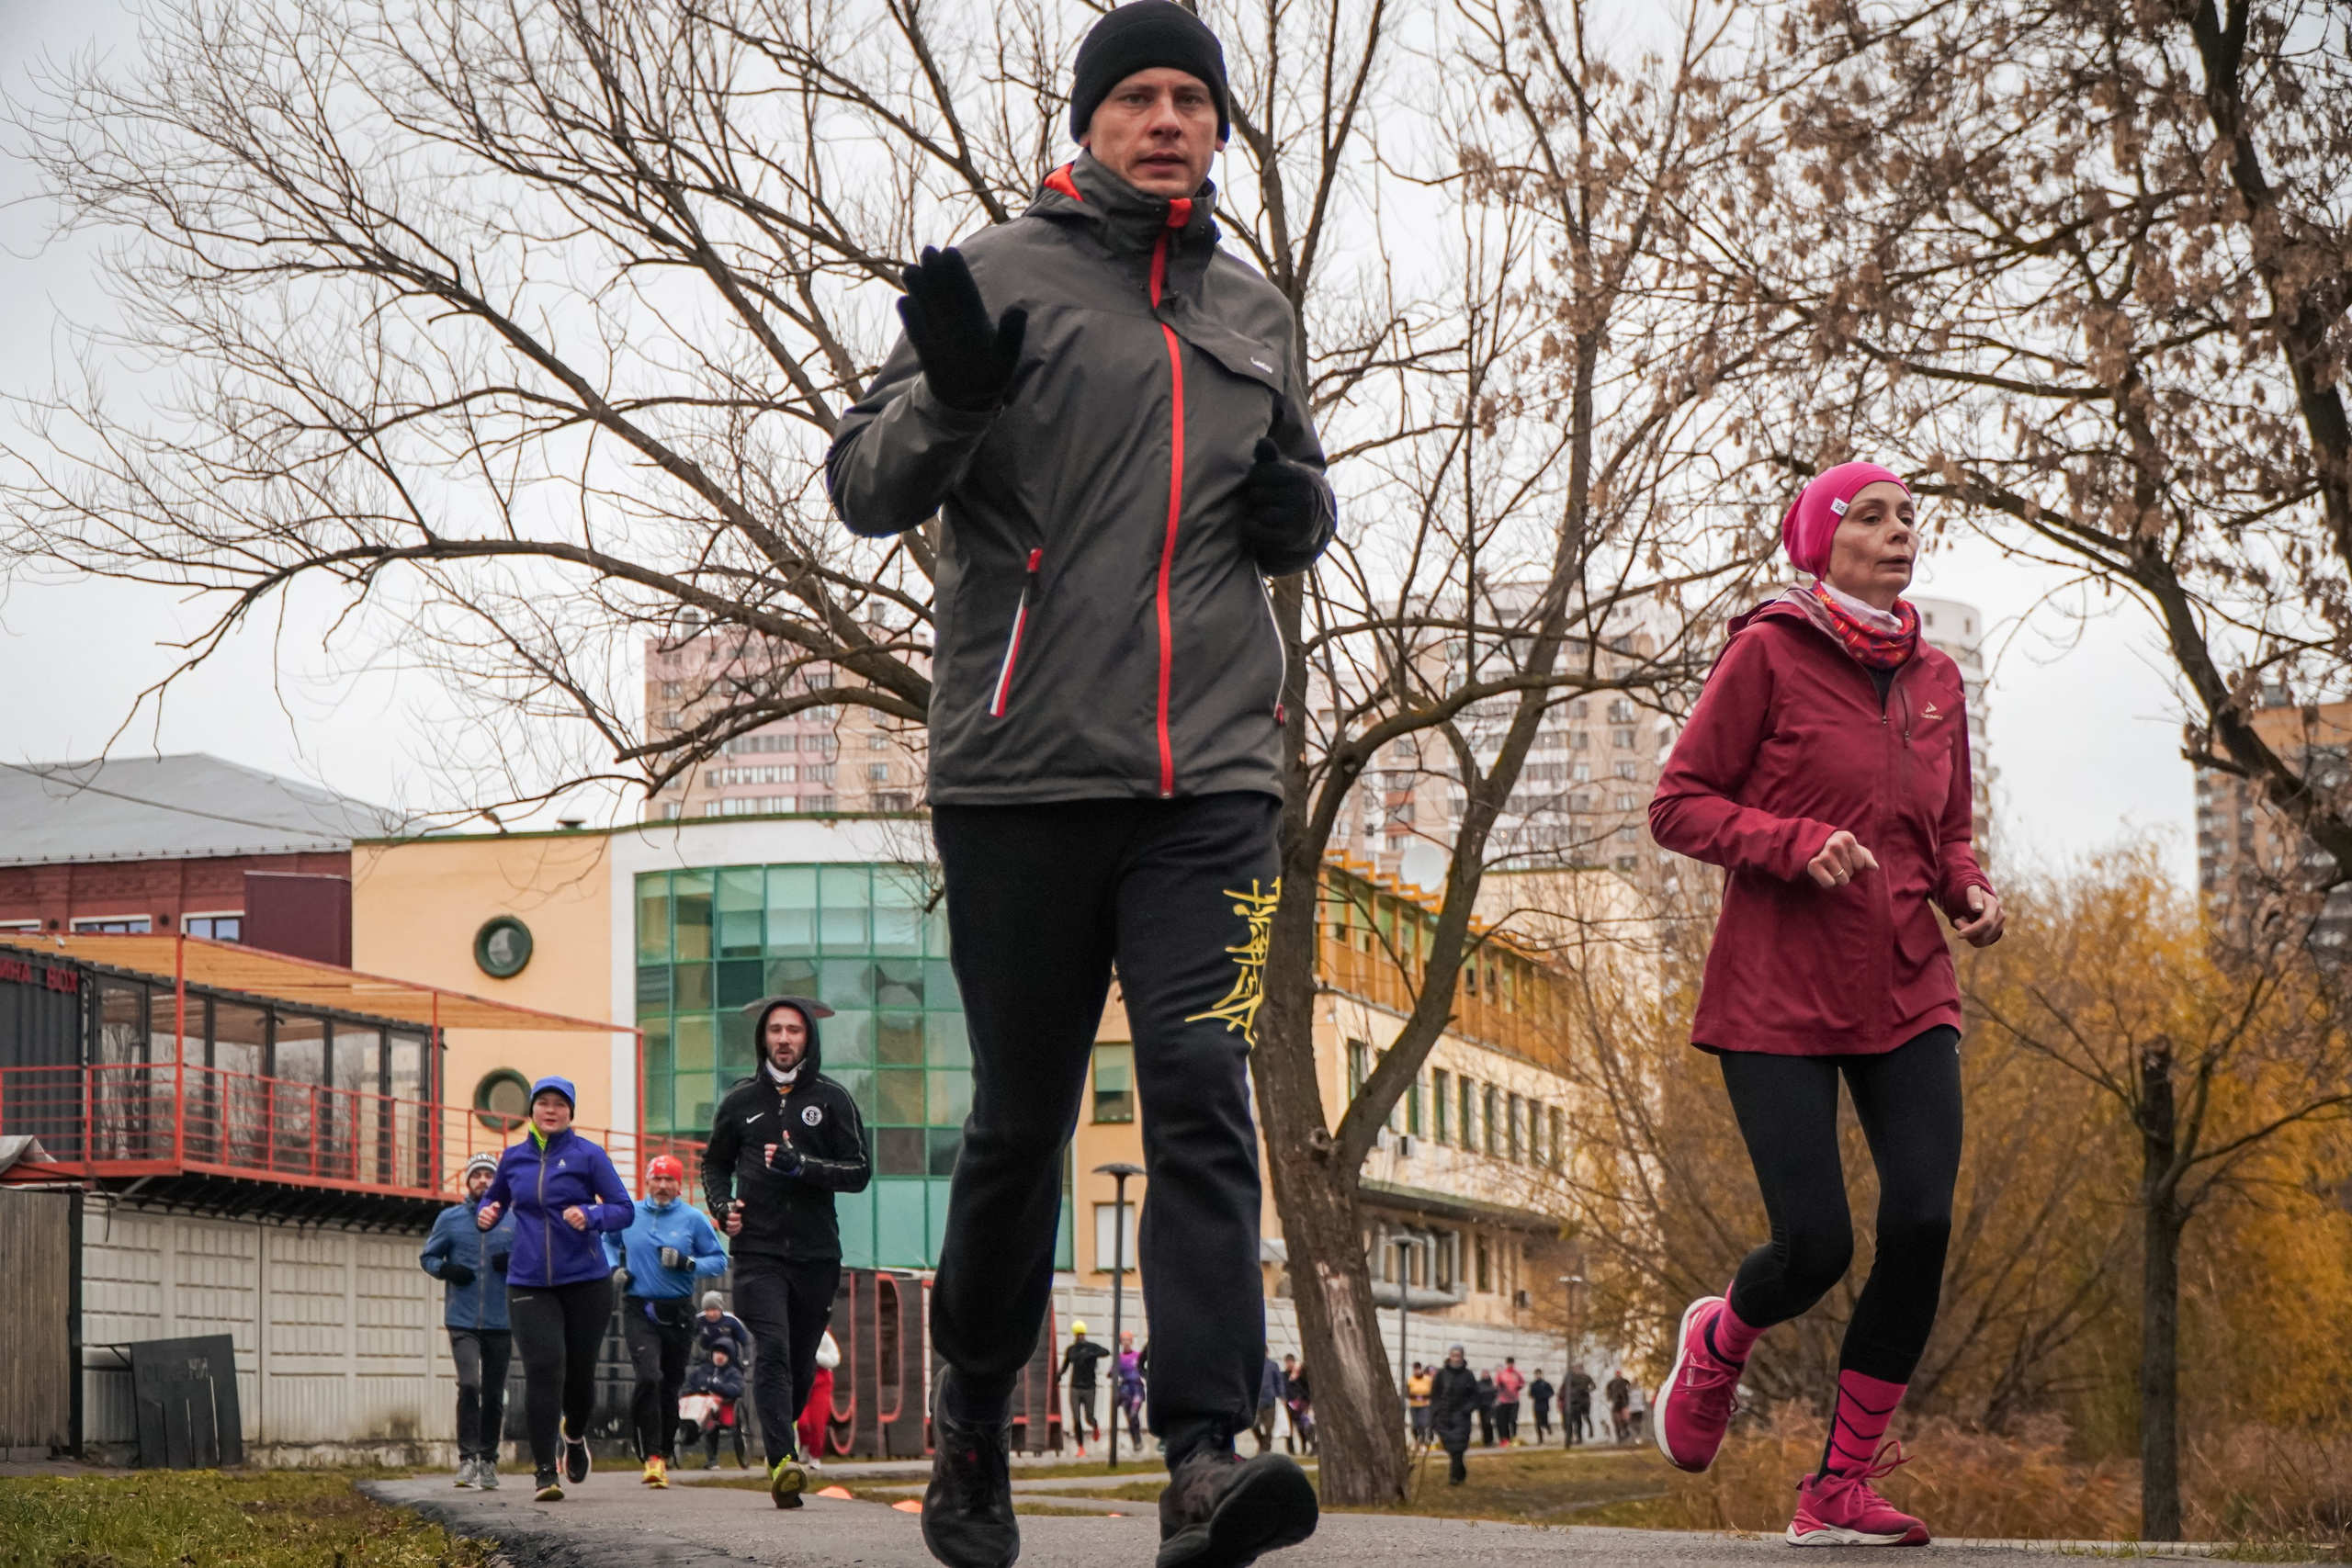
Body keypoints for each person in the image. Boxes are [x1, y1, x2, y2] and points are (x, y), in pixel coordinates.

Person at [826, 3, 1336, 1562]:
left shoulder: (1256, 309)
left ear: (1221, 128)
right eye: (1140, 99)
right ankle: (972, 1428)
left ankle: (1203, 1453)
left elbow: (1282, 489)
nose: (1168, 120)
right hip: (1024, 779)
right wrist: (952, 394)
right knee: (1023, 1124)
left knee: (1201, 1095)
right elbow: (864, 486)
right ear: (1091, 122)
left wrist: (1298, 512)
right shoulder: (992, 277)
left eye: (1194, 99)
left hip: (1217, 785)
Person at [1648, 462, 2003, 1550]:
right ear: (1820, 538)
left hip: (1904, 982)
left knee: (1923, 1221)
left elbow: (1940, 831)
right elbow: (1677, 805)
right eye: (1874, 517)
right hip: (1777, 989)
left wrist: (1967, 889)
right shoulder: (1766, 652)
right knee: (1815, 1246)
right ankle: (1718, 1340)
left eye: (1909, 519)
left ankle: (1839, 1486)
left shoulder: (1936, 677)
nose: (1900, 534)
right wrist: (1794, 844)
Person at [702, 995, 870, 1510]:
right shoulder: (740, 1102)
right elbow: (714, 1166)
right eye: (775, 1030)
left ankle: (781, 1437)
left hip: (817, 1255)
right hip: (757, 1250)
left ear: (807, 1039)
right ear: (763, 1038)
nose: (783, 1039)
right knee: (771, 1349)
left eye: (793, 1031)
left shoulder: (834, 1099)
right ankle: (782, 1462)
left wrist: (804, 1166)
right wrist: (722, 1206)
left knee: (799, 1365)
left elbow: (859, 1173)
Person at [475, 1077, 634, 1502]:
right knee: (544, 1369)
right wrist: (487, 1213)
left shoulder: (588, 1156)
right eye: (542, 1103)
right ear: (531, 1111)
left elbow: (624, 1210)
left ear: (570, 1114)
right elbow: (493, 1201)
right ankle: (545, 1471)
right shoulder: (513, 1158)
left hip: (586, 1281)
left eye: (559, 1104)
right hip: (528, 1281)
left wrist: (590, 1214)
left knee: (579, 1376)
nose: (550, 1110)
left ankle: (576, 1434)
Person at [608, 1153, 729, 1487]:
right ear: (647, 1181)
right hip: (639, 1309)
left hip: (678, 1313)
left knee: (670, 1387)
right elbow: (606, 1240)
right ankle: (652, 1457)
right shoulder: (629, 1214)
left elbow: (719, 1261)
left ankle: (661, 1453)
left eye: (670, 1180)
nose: (662, 1186)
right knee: (649, 1376)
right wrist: (613, 1269)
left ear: (680, 1185)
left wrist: (688, 1264)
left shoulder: (692, 1219)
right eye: (657, 1179)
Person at [421, 1151, 515, 1489]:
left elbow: (534, 1259)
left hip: (501, 1320)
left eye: (490, 1176)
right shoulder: (450, 1219)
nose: (483, 1181)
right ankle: (466, 1460)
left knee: (492, 1393)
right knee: (470, 1385)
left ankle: (488, 1461)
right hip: (462, 1319)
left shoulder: (514, 1219)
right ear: (468, 1181)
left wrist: (515, 1261)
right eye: (477, 1175)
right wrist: (446, 1269)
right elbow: (428, 1256)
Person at [689, 1292, 753, 1471]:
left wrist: (746, 1361)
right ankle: (709, 1456)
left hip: (729, 1361)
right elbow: (688, 1337)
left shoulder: (732, 1322)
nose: (710, 1314)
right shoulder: (699, 1321)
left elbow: (745, 1342)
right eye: (707, 1310)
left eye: (714, 1309)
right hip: (706, 1361)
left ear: (721, 1309)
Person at [682, 1341, 747, 1471]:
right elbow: (688, 1386)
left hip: (721, 1409)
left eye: (724, 1353)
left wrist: (716, 1385)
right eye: (717, 1352)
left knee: (712, 1423)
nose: (720, 1356)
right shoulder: (701, 1370)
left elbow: (736, 1390)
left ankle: (712, 1460)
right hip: (697, 1405)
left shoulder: (733, 1373)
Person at [1428, 1347, 1479, 1486]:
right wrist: (1434, 1413)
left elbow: (1475, 1396)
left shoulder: (1468, 1375)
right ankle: (1460, 1469)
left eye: (1457, 1355)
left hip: (1461, 1415)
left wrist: (1466, 1409)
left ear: (1462, 1357)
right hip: (1443, 1415)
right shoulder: (1442, 1374)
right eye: (1453, 1355)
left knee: (1458, 1445)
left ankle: (1454, 1477)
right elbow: (1435, 1394)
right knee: (1450, 1446)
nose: (1455, 1358)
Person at [1057, 1322, 1109, 1455]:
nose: (1080, 1337)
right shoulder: (1072, 1350)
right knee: (1076, 1418)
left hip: (1089, 1387)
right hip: (1075, 1387)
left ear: (1084, 1334)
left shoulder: (1092, 1347)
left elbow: (1106, 1352)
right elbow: (1065, 1365)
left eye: (1082, 1334)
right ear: (1075, 1335)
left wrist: (1092, 1354)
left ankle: (1095, 1426)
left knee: (1089, 1417)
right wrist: (1059, 1375)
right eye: (1078, 1335)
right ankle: (1081, 1447)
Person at [798, 1331, 842, 1463]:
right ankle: (805, 1444)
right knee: (801, 1422)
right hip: (800, 1381)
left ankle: (815, 1456)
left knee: (817, 1422)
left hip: (821, 1383)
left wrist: (813, 1355)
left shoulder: (823, 1335)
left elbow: (834, 1359)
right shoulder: (792, 1333)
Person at [1115, 1336, 1146, 1448]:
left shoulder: (1137, 1356)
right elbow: (1112, 1371)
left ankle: (1138, 1440)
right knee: (1129, 1416)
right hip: (1125, 1388)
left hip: (1137, 1387)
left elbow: (1144, 1367)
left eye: (1128, 1340)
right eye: (1123, 1340)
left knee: (1134, 1413)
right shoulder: (1119, 1357)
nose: (1126, 1342)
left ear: (1131, 1341)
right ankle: (1136, 1441)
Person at [1281, 1357, 1314, 1456]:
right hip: (1289, 1403)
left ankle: (1304, 1445)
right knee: (1288, 1427)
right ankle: (1291, 1449)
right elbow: (1282, 1387)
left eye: (1291, 1362)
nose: (1289, 1364)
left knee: (1302, 1425)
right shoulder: (1284, 1375)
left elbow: (1304, 1388)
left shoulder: (1300, 1376)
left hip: (1300, 1402)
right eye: (1287, 1362)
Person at [1252, 1356, 1283, 1454]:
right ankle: (1262, 1443)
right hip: (1255, 1400)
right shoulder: (1252, 1364)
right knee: (1254, 1424)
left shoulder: (1272, 1365)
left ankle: (1265, 1447)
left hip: (1269, 1400)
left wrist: (1281, 1395)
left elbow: (1278, 1381)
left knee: (1269, 1426)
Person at [1493, 1358, 1524, 1447]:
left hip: (1514, 1400)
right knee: (1504, 1421)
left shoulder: (1517, 1373)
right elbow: (1496, 1384)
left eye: (1512, 1363)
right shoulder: (1502, 1373)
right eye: (1509, 1363)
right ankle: (1505, 1439)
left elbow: (1522, 1382)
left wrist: (1517, 1388)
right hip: (1504, 1400)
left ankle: (1514, 1438)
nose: (1510, 1365)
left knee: (1513, 1420)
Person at [1566, 1367, 1595, 1447]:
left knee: (1586, 1416)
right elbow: (1568, 1387)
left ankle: (1591, 1429)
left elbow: (1593, 1386)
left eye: (1579, 1369)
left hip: (1585, 1400)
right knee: (1577, 1420)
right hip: (1576, 1401)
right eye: (1576, 1369)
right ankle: (1579, 1438)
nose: (1578, 1371)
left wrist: (1588, 1390)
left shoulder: (1587, 1377)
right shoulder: (1573, 1378)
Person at [1407, 1363, 1434, 1446]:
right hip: (1414, 1405)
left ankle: (1423, 1440)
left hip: (1425, 1405)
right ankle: (1417, 1440)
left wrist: (1425, 1397)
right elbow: (1407, 1392)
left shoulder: (1428, 1380)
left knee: (1423, 1423)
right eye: (1415, 1370)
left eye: (1418, 1369)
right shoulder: (1410, 1380)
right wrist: (1417, 1397)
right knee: (1415, 1425)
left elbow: (1432, 1391)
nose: (1417, 1371)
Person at [1528, 1370, 1555, 1446]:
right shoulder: (1533, 1384)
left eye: (1539, 1374)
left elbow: (1551, 1392)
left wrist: (1545, 1396)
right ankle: (1540, 1439)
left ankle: (1548, 1427)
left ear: (1541, 1374)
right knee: (1538, 1423)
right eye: (1536, 1374)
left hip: (1544, 1405)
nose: (1537, 1375)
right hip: (1537, 1405)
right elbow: (1530, 1394)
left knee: (1544, 1421)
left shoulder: (1545, 1384)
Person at [1605, 1371, 1632, 1444]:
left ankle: (1625, 1431)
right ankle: (1619, 1436)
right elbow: (1608, 1391)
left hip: (1624, 1403)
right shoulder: (1611, 1383)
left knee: (1624, 1418)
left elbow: (1630, 1389)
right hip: (1616, 1402)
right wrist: (1609, 1398)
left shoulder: (1625, 1381)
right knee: (1616, 1420)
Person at [1475, 1369, 1498, 1448]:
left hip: (1490, 1406)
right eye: (1484, 1373)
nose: (1485, 1375)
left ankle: (1490, 1440)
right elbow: (1476, 1395)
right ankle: (1485, 1441)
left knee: (1489, 1423)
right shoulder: (1478, 1384)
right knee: (1483, 1424)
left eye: (1487, 1373)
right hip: (1481, 1406)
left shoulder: (1492, 1384)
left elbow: (1496, 1394)